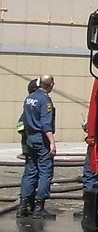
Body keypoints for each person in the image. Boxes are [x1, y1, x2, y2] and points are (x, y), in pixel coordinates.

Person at [18, 74, 57, 218]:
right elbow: (46, 124)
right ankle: (39, 208)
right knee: (45, 172)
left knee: (30, 171)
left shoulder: (29, 98)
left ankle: (23, 205)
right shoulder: (45, 101)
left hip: (30, 139)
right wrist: (52, 142)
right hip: (41, 140)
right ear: (50, 85)